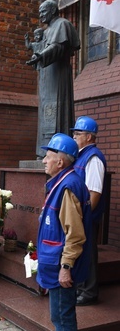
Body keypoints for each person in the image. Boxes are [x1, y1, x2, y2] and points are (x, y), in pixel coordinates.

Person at [37, 133, 92, 331]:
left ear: (60, 161)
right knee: (59, 314)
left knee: (62, 315)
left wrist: (66, 267)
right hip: (55, 261)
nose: (43, 162)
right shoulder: (63, 181)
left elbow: (75, 235)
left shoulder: (67, 187)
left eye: (48, 157)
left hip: (62, 265)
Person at [26, 0, 80, 158]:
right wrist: (37, 56)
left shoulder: (62, 25)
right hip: (46, 76)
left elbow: (57, 46)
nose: (41, 15)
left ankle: (58, 151)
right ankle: (43, 152)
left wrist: (40, 55)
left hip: (58, 75)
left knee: (57, 111)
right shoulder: (47, 30)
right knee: (45, 112)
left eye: (43, 11)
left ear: (52, 10)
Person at [71, 116, 107, 306]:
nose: (74, 136)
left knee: (88, 253)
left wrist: (83, 215)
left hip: (86, 215)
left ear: (89, 136)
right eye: (74, 133)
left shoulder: (93, 157)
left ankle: (88, 292)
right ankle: (81, 288)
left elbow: (94, 192)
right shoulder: (82, 155)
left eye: (78, 133)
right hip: (80, 214)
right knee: (81, 251)